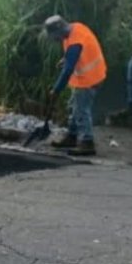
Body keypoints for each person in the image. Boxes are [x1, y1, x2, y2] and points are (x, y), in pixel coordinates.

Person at [45, 15, 107, 157]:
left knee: (81, 111)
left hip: (89, 79)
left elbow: (68, 70)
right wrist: (66, 59)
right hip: (89, 75)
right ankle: (72, 136)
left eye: (56, 36)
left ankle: (87, 142)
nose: (56, 40)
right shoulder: (75, 28)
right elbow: (74, 55)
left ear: (60, 30)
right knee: (74, 106)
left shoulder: (75, 41)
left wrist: (56, 89)